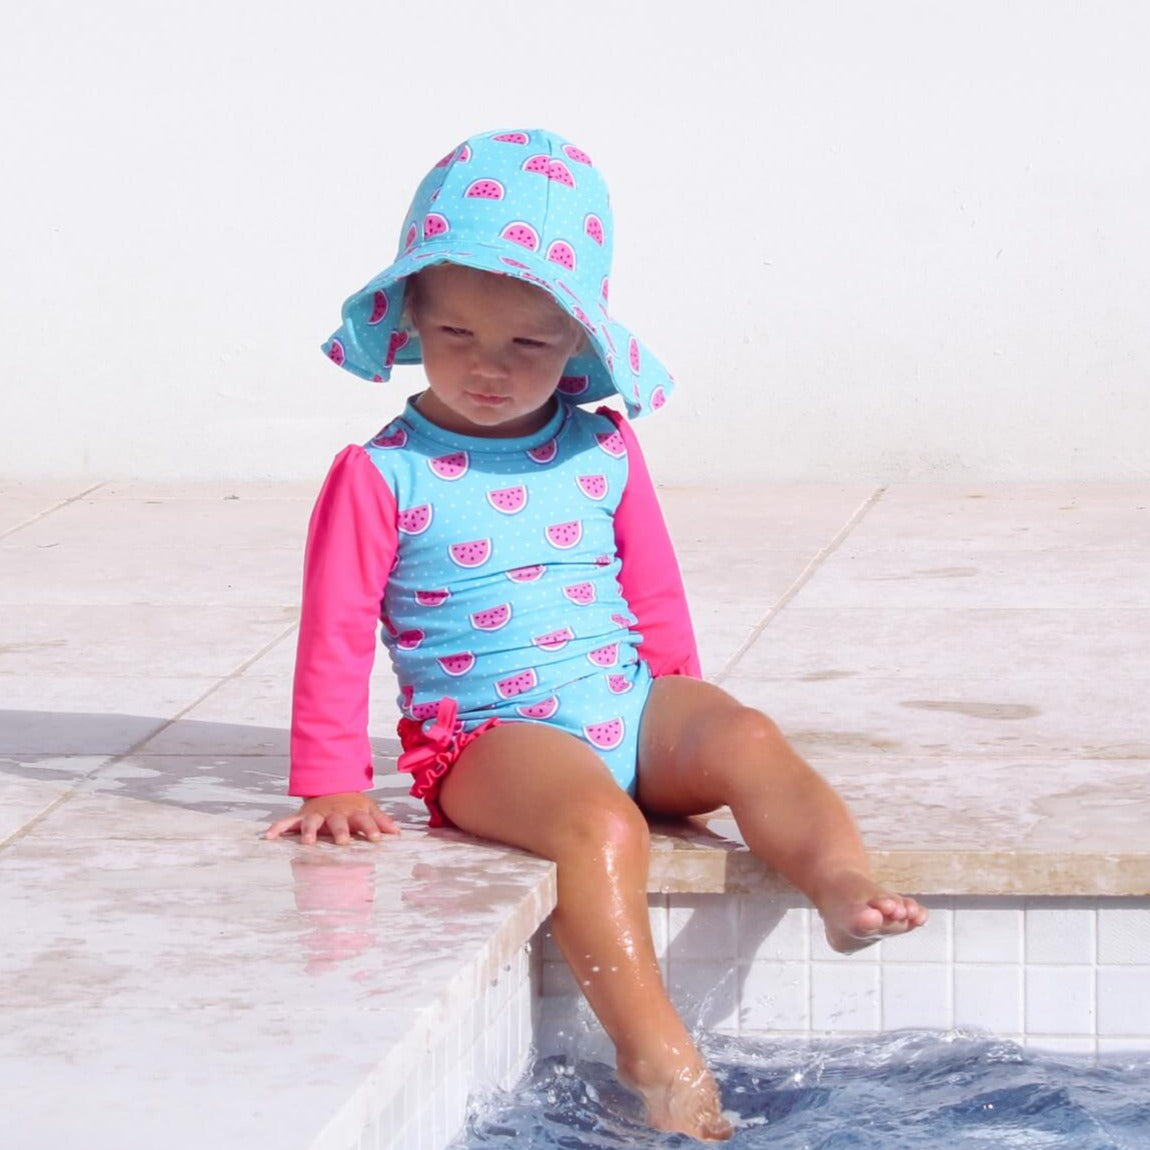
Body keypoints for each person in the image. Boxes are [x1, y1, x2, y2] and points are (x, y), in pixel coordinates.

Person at [266, 128, 927, 1141]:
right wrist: (330, 779)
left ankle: (838, 878)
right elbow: (336, 630)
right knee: (601, 828)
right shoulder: (381, 475)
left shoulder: (603, 444)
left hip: (619, 697)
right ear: (411, 323)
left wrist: (682, 728)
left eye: (526, 343)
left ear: (577, 341)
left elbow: (652, 595)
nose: (487, 367)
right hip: (492, 738)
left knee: (745, 733)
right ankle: (655, 1053)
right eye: (455, 337)